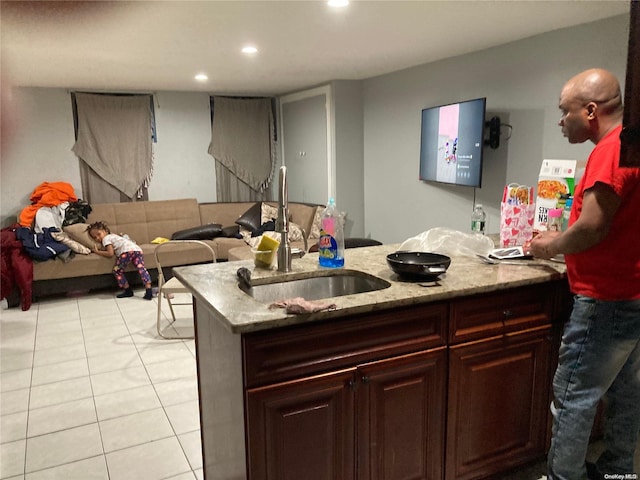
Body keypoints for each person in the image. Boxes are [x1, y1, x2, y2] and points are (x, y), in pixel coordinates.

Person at [529, 68, 640, 480]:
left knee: (574, 397)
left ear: (591, 111)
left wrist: (549, 245)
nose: (561, 121)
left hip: (604, 299)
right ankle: (619, 474)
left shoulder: (610, 150)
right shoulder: (633, 143)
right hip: (632, 294)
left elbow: (593, 227)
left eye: (565, 112)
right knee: (627, 396)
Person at [87, 221, 153, 300]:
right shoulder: (115, 236)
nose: (98, 238)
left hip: (126, 252)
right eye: (94, 238)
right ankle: (149, 290)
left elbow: (110, 253)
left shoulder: (106, 239)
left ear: (105, 231)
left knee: (117, 271)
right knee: (141, 269)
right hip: (137, 250)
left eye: (99, 234)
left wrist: (97, 252)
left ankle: (128, 290)